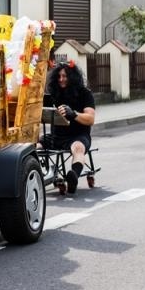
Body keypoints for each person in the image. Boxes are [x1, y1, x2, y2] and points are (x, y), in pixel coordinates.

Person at [42, 61, 96, 194]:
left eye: (65, 76)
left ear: (72, 77)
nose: (61, 80)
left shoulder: (84, 93)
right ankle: (29, 174)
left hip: (78, 136)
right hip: (56, 137)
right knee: (34, 146)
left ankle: (73, 177)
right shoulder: (53, 93)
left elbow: (91, 119)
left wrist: (73, 114)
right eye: (59, 76)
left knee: (78, 148)